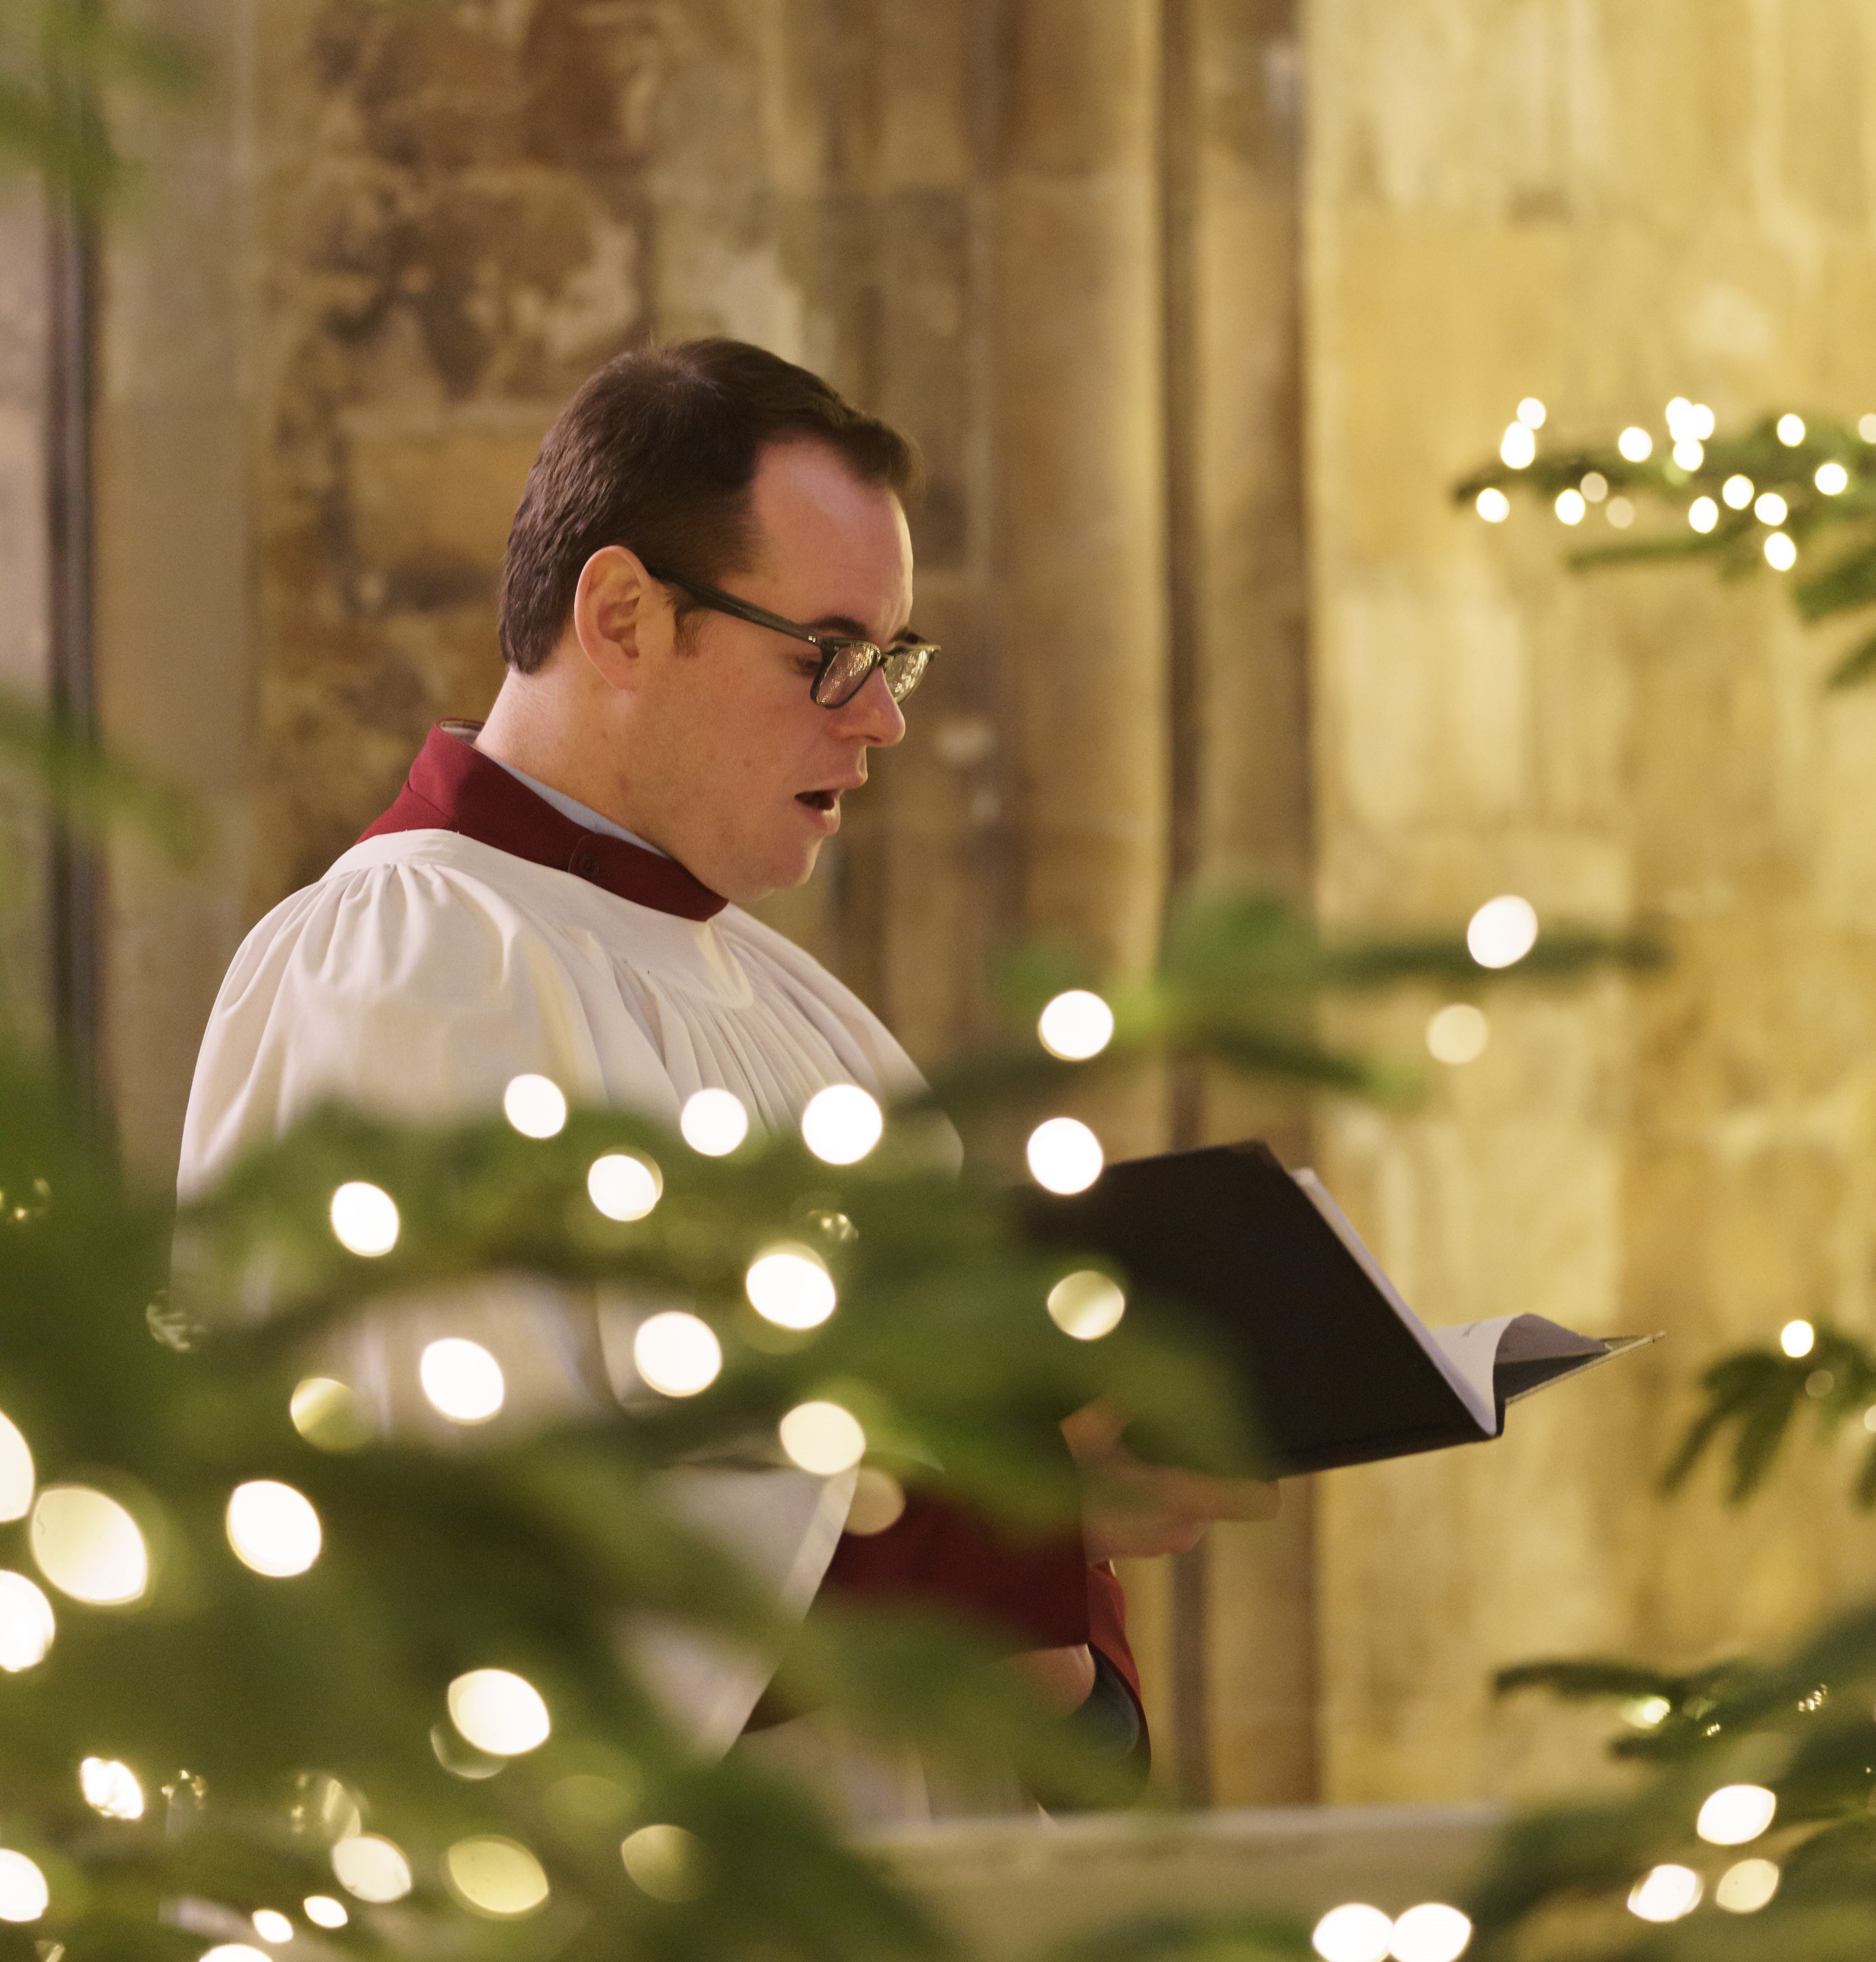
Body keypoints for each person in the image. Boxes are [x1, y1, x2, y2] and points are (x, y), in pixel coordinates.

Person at [178, 338, 1274, 1817]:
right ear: (624, 616)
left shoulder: (808, 1019)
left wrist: (1081, 1677)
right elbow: (512, 1567)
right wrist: (1019, 1495)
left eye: (894, 659)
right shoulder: (415, 961)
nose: (879, 717)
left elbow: (1005, 1595)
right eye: (829, 651)